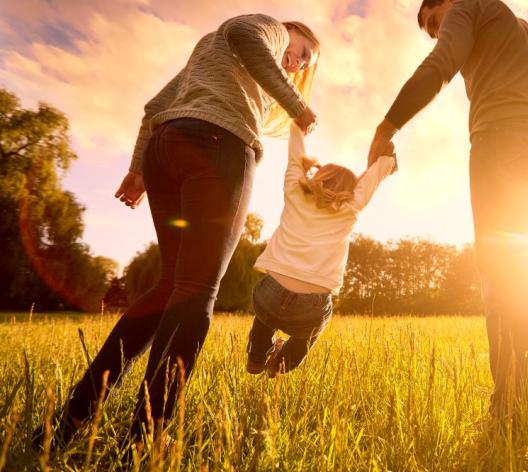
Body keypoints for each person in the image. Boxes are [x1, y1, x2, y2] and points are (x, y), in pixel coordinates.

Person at [33, 14, 321, 451]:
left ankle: (70, 421)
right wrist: (296, 103)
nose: (297, 65)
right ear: (290, 31)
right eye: (302, 53)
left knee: (170, 287)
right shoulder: (267, 27)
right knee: (197, 291)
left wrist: (137, 170)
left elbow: (153, 108)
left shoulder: (211, 53)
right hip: (219, 147)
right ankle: (143, 443)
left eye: (304, 65)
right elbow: (247, 35)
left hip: (166, 149)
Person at [367, 0, 528, 422]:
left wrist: (387, 126)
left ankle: (513, 409)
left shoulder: (467, 5)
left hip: (502, 140)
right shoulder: (520, 28)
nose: (437, 32)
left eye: (435, 22)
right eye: (431, 30)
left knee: (504, 274)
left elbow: (441, 64)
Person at [247, 123, 396, 377]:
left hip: (270, 293)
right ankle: (280, 365)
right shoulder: (351, 208)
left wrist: (298, 126)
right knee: (308, 335)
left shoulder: (295, 191)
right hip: (311, 306)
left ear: (318, 177)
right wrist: (386, 159)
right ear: (351, 191)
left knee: (265, 317)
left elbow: (295, 155)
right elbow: (373, 178)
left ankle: (257, 357)